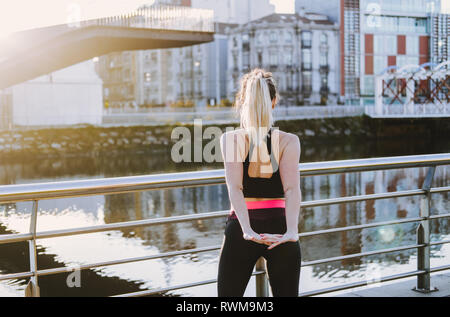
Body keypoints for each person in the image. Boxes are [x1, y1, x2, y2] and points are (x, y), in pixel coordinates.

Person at [218, 68, 302, 297]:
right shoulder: (289, 141)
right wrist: (292, 231)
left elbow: (235, 188)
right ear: (274, 102)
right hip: (281, 228)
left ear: (242, 101)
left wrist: (247, 230)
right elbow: (292, 189)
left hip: (241, 228)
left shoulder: (230, 139)